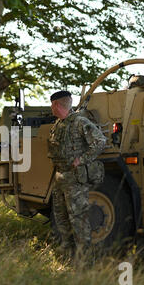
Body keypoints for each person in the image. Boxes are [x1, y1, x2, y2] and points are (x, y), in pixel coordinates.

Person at [47, 91, 106, 258]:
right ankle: (67, 255)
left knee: (79, 221)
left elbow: (100, 141)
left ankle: (86, 260)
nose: (51, 108)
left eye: (52, 104)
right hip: (60, 177)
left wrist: (83, 159)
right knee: (61, 218)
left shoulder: (80, 122)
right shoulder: (58, 124)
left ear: (56, 105)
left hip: (75, 179)